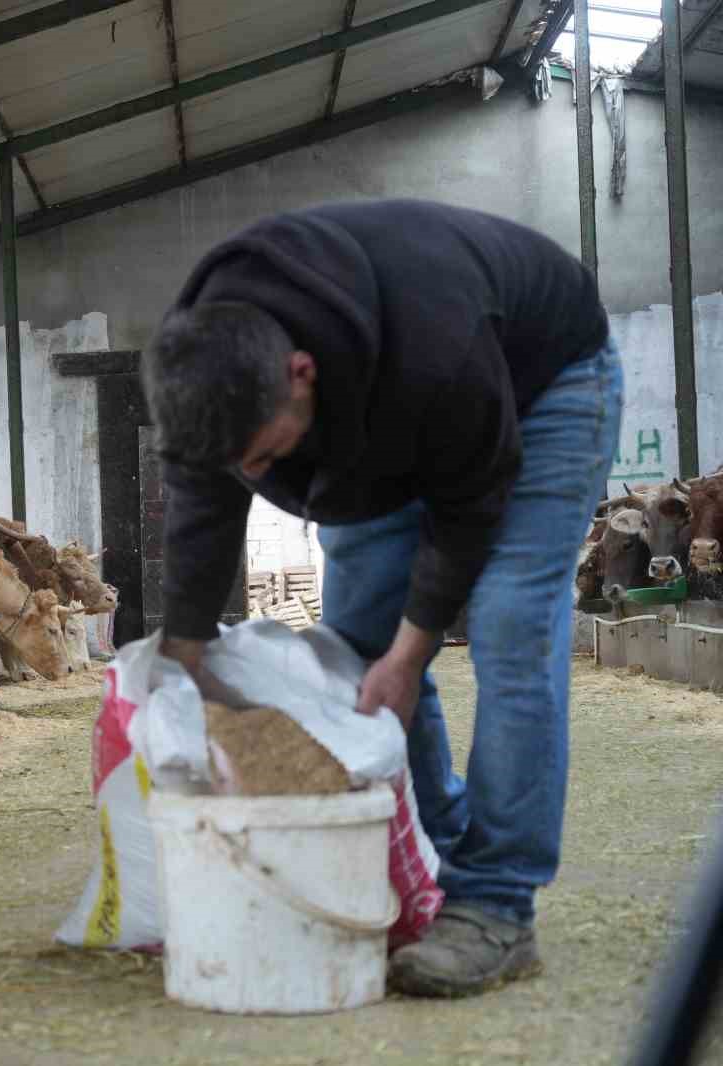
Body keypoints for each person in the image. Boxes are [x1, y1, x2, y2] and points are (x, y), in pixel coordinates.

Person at [142, 198, 622, 998]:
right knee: (358, 640)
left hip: (545, 385)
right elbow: (201, 513)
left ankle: (495, 906)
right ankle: (426, 858)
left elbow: (468, 509)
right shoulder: (205, 367)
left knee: (510, 623)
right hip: (378, 421)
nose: (256, 476)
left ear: (300, 374)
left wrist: (412, 652)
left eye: (267, 453)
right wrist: (181, 664)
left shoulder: (440, 353)